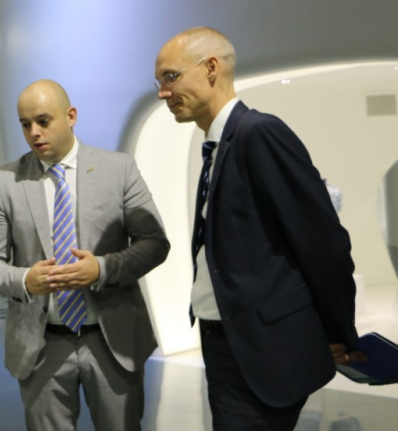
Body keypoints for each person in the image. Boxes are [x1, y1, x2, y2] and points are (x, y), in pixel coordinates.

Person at [154, 27, 360, 429]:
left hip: (263, 348)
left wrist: (337, 332)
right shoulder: (218, 146)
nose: (163, 92)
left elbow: (323, 243)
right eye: (160, 82)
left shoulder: (259, 133)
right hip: (226, 341)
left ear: (211, 68)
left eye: (171, 77)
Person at [0, 80, 170, 431]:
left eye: (43, 121)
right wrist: (25, 279)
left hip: (112, 341)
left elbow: (154, 243)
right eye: (25, 124)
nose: (34, 133)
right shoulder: (6, 181)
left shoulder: (118, 169)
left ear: (71, 116)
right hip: (41, 343)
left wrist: (103, 269)